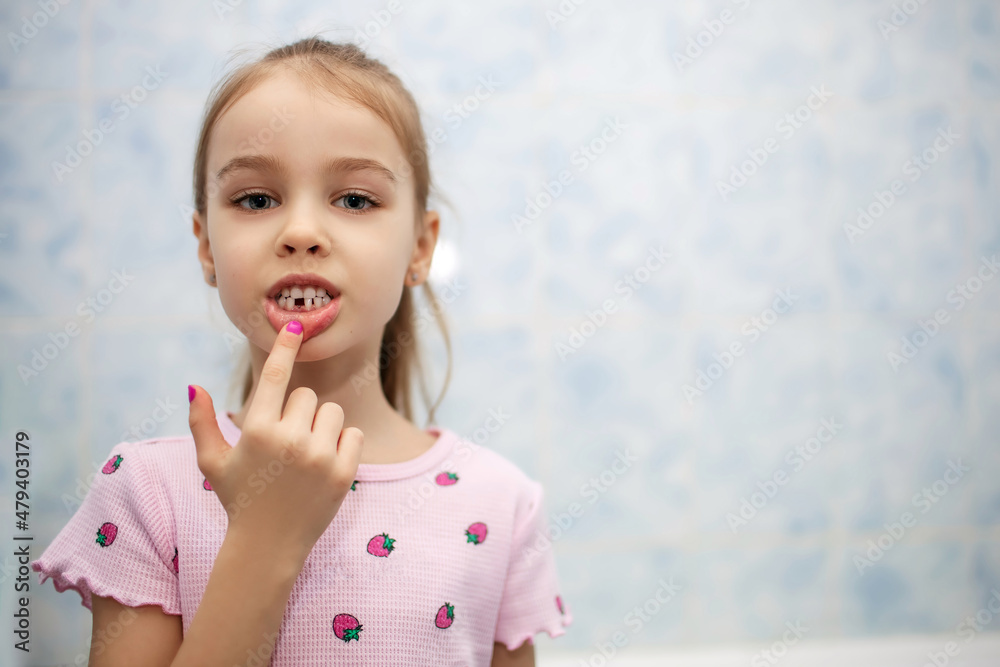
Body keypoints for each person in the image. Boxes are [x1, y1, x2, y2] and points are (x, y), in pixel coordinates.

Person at [31, 36, 572, 666]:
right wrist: (264, 539)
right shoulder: (147, 493)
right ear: (206, 246)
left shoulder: (500, 504)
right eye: (256, 200)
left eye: (355, 199)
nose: (302, 233)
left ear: (420, 248)